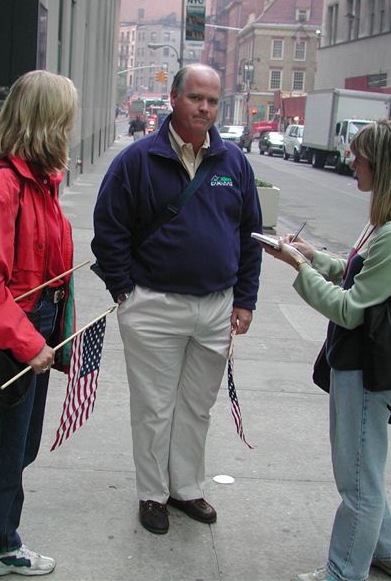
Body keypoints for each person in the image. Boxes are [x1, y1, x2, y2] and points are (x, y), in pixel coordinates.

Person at [91, 63, 263, 535]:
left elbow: (251, 236)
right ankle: (152, 494)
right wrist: (124, 291)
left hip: (215, 307)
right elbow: (108, 230)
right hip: (153, 306)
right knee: (154, 406)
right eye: (195, 98)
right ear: (174, 98)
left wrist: (244, 299)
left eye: (212, 100)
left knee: (196, 406)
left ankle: (186, 488)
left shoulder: (234, 163)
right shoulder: (137, 160)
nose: (204, 108)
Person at [262, 120, 391, 581]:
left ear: (383, 165)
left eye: (359, 156)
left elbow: (351, 309)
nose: (351, 161)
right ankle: (387, 552)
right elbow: (355, 275)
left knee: (357, 480)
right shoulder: (385, 224)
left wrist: (298, 268)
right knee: (364, 468)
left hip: (368, 369)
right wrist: (313, 256)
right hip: (359, 365)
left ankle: (343, 572)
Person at [0, 70, 78, 581]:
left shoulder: (38, 183)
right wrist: (30, 344)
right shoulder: (3, 185)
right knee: (1, 454)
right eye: (65, 117)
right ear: (46, 120)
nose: (72, 126)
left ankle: (4, 543)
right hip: (11, 338)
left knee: (17, 449)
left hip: (31, 329)